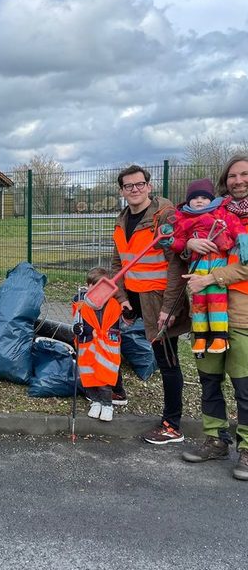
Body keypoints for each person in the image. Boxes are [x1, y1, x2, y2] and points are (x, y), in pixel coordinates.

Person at [112, 165, 191, 445]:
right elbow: (119, 263)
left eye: (139, 184)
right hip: (134, 300)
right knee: (115, 341)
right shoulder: (122, 221)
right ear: (122, 190)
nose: (134, 189)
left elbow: (177, 263)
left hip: (160, 303)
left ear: (149, 186)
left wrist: (168, 308)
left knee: (167, 363)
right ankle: (116, 392)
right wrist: (122, 299)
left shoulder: (164, 217)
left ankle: (172, 425)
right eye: (128, 186)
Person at [181, 155, 248, 480]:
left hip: (242, 316)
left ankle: (246, 450)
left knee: (244, 386)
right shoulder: (215, 213)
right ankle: (215, 439)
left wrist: (210, 278)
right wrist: (189, 241)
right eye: (233, 175)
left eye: (244, 174)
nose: (238, 180)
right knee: (209, 381)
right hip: (205, 315)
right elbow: (183, 241)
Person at [166, 178, 244, 355]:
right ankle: (200, 337)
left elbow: (235, 226)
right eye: (194, 198)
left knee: (217, 301)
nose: (199, 201)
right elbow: (178, 241)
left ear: (211, 200)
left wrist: (242, 239)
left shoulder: (220, 214)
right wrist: (181, 242)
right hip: (197, 266)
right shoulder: (183, 219)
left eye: (203, 197)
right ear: (188, 201)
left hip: (217, 265)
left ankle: (219, 337)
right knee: (199, 303)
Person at [73, 267, 122, 422]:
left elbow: (115, 327)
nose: (93, 289)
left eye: (98, 286)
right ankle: (95, 401)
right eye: (91, 285)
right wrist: (80, 330)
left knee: (104, 378)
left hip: (106, 349)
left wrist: (104, 335)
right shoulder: (81, 306)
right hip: (87, 348)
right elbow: (78, 325)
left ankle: (107, 405)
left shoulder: (113, 305)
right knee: (88, 378)